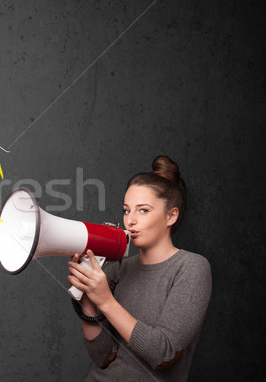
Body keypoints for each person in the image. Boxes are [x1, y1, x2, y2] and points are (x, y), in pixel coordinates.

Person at [67, 155, 212, 381]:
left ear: (171, 215)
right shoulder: (118, 269)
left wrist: (105, 301)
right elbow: (103, 357)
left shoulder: (191, 268)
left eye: (143, 210)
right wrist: (87, 300)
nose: (130, 221)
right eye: (127, 210)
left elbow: (163, 355)